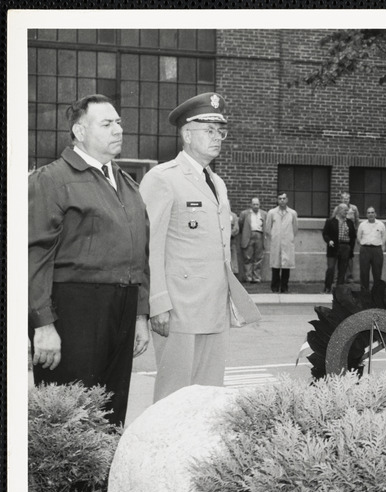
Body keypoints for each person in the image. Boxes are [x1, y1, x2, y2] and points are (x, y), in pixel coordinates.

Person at [28, 93, 150, 427]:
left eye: (119, 122)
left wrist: (140, 315)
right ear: (80, 132)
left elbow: (141, 253)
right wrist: (43, 325)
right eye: (107, 123)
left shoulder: (126, 184)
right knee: (70, 417)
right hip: (76, 309)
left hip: (122, 307)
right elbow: (33, 256)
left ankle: (101, 481)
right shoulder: (51, 179)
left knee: (112, 411)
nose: (118, 130)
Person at [139, 91, 260, 403]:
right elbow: (150, 245)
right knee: (174, 397)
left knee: (208, 396)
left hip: (213, 306)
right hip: (179, 308)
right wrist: (158, 302)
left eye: (221, 131)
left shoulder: (216, 182)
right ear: (186, 134)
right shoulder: (163, 178)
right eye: (209, 130)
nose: (217, 138)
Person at [265, 192, 298, 294]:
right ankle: (274, 287)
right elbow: (267, 228)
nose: (282, 200)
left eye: (284, 198)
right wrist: (275, 237)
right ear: (277, 200)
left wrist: (289, 238)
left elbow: (295, 228)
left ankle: (284, 287)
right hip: (276, 242)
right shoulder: (272, 213)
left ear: (287, 200)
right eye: (280, 199)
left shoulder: (292, 213)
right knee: (275, 266)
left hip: (287, 242)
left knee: (286, 266)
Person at [322, 203, 356, 292]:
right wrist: (329, 241)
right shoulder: (330, 221)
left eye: (347, 210)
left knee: (343, 269)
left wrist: (350, 248)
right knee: (331, 268)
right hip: (333, 247)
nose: (346, 212)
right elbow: (325, 234)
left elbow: (353, 236)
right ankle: (327, 287)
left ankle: (339, 289)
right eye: (345, 210)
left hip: (345, 247)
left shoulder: (349, 222)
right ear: (339, 210)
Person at [356, 206, 386, 301]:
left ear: (375, 214)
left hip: (377, 250)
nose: (370, 214)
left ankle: (377, 294)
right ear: (366, 214)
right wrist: (364, 245)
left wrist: (381, 248)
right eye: (368, 213)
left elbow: (384, 237)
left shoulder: (381, 224)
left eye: (372, 212)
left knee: (377, 272)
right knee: (364, 272)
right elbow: (358, 237)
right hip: (365, 249)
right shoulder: (362, 225)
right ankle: (364, 293)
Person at [238, 197, 266, 283]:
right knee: (247, 257)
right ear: (251, 205)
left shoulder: (264, 214)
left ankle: (256, 278)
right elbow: (240, 224)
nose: (255, 206)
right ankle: (248, 277)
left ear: (259, 204)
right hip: (248, 236)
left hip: (259, 235)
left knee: (258, 258)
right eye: (254, 204)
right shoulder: (245, 214)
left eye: (257, 204)